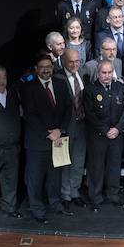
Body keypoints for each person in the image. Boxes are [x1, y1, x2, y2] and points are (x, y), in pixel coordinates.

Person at [20, 53, 72, 224]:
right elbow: (30, 115)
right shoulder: (29, 88)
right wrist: (49, 133)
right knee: (35, 178)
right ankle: (37, 209)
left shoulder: (61, 84)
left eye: (48, 67)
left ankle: (56, 204)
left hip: (58, 139)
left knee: (55, 176)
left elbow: (68, 109)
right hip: (38, 141)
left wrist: (60, 130)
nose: (45, 70)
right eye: (41, 67)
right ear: (36, 69)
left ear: (52, 67)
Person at [83, 59, 124, 211]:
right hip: (98, 136)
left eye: (110, 72)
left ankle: (113, 194)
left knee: (114, 166)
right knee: (96, 167)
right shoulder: (90, 89)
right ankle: (95, 197)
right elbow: (89, 114)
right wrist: (105, 130)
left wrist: (117, 128)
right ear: (98, 73)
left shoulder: (119, 87)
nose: (107, 76)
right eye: (104, 72)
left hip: (116, 134)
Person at [0, 64, 22, 219]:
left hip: (13, 147)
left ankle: (10, 206)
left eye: (4, 77)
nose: (2, 81)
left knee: (10, 180)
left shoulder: (13, 94)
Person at [54, 49, 87, 213]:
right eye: (70, 62)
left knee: (79, 160)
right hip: (66, 125)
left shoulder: (83, 73)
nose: (74, 65)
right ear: (63, 61)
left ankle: (75, 191)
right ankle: (65, 194)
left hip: (82, 124)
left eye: (77, 61)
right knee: (65, 162)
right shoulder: (57, 77)